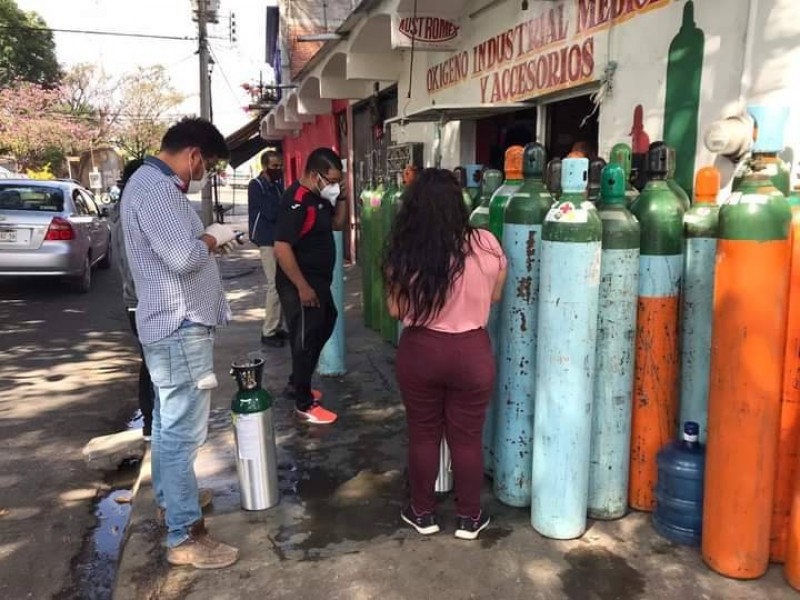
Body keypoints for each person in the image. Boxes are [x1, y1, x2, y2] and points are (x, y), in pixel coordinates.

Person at [121, 117, 240, 570]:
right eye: (206, 165)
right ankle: (185, 534)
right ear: (193, 155)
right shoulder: (156, 190)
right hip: (179, 324)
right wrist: (212, 237)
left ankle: (176, 501)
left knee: (173, 425)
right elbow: (184, 256)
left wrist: (209, 242)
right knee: (181, 432)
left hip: (174, 324)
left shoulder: (149, 185)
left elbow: (181, 250)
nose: (203, 173)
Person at [383, 168, 507, 540]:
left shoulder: (405, 251)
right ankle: (469, 518)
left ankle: (423, 513)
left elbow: (394, 309)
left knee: (423, 434)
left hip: (421, 350)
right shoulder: (486, 243)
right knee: (466, 438)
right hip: (471, 352)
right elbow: (496, 294)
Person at [274, 147, 346, 425]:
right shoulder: (297, 201)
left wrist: (341, 197)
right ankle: (304, 402)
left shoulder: (320, 198)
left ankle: (298, 382)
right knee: (304, 339)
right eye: (331, 180)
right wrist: (302, 287)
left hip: (319, 281)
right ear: (315, 175)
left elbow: (337, 225)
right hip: (299, 282)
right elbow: (282, 248)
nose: (333, 185)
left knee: (327, 322)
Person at [109, 158, 154, 440]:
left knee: (150, 363)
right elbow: (134, 265)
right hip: (142, 301)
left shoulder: (123, 210)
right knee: (153, 366)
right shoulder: (129, 214)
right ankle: (152, 422)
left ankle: (152, 422)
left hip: (137, 301)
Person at [248, 151, 287, 348]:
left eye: (280, 165)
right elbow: (271, 211)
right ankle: (268, 331)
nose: (278, 170)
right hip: (266, 239)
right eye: (274, 166)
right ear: (264, 167)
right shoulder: (258, 186)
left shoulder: (277, 186)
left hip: (278, 239)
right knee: (274, 285)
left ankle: (277, 326)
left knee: (281, 284)